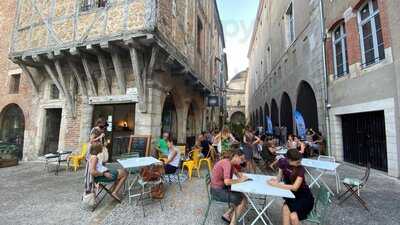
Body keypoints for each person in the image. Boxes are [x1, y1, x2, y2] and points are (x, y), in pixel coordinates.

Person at [268, 149, 314, 225]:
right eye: (297, 162)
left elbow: (295, 187)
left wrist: (275, 184)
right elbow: (279, 178)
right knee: (285, 209)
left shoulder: (301, 169)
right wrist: (274, 180)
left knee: (293, 216)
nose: (299, 163)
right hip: (292, 196)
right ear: (289, 160)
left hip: (304, 196)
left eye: (300, 161)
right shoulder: (282, 162)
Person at [211, 150, 248, 225]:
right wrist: (240, 180)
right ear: (236, 156)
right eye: (241, 159)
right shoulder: (227, 163)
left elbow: (235, 172)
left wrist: (239, 176)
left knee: (242, 196)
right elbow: (227, 182)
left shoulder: (229, 162)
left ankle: (227, 215)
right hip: (217, 191)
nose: (241, 162)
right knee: (242, 200)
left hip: (219, 189)